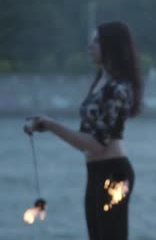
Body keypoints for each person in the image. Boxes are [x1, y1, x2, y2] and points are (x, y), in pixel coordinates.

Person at [25, 21, 143, 240]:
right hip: (95, 172)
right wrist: (47, 125)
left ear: (112, 45)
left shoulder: (119, 88)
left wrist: (52, 125)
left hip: (114, 174)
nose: (90, 46)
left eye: (96, 41)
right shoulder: (100, 81)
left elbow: (96, 143)